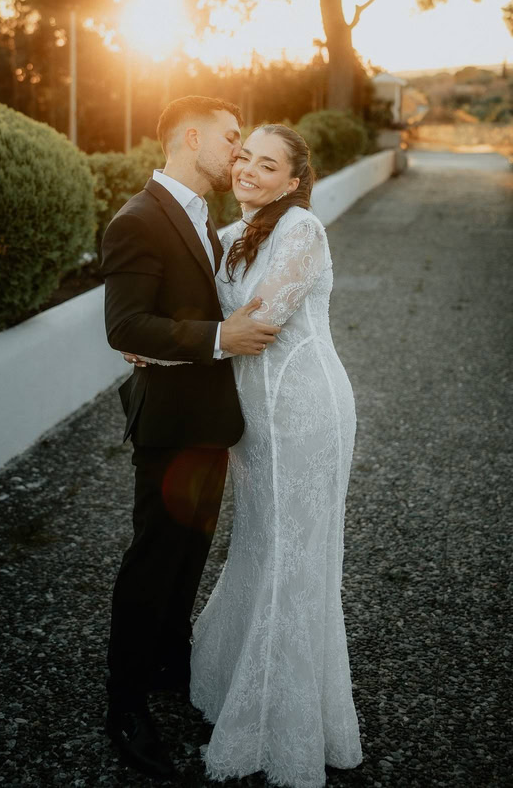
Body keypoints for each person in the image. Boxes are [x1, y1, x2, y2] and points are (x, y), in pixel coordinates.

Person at [99, 96, 280, 780]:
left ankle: (171, 667)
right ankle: (124, 705)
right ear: (193, 137)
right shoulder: (138, 218)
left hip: (210, 419)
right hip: (170, 423)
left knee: (189, 556)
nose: (239, 151)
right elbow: (125, 326)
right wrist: (220, 337)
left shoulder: (203, 215)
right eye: (232, 138)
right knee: (153, 560)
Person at [189, 124, 363, 787]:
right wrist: (157, 339)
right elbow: (207, 317)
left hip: (306, 410)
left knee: (295, 555)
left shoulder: (302, 230)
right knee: (259, 543)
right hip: (254, 421)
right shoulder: (232, 235)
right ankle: (237, 681)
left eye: (268, 165)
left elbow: (261, 319)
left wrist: (200, 335)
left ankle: (282, 722)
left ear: (293, 180)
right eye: (244, 158)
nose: (248, 171)